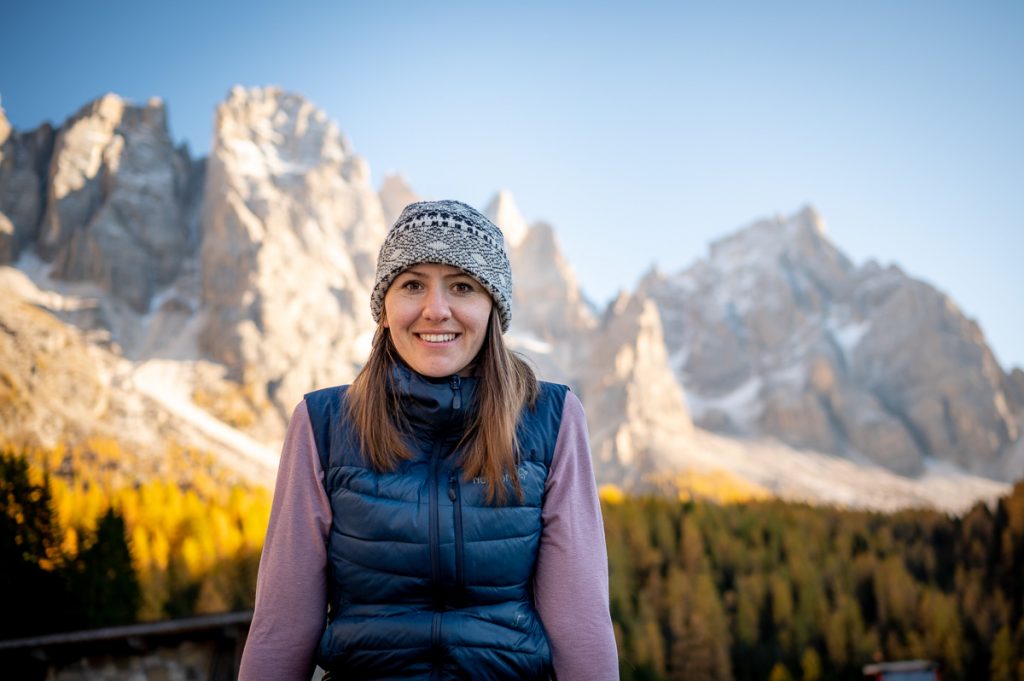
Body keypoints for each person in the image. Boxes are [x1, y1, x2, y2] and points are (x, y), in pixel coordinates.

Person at [238, 200, 618, 680]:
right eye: (412, 284)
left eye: (462, 287)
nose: (435, 310)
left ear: (492, 308)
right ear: (384, 307)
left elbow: (580, 621)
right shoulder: (322, 423)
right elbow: (282, 624)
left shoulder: (552, 417)